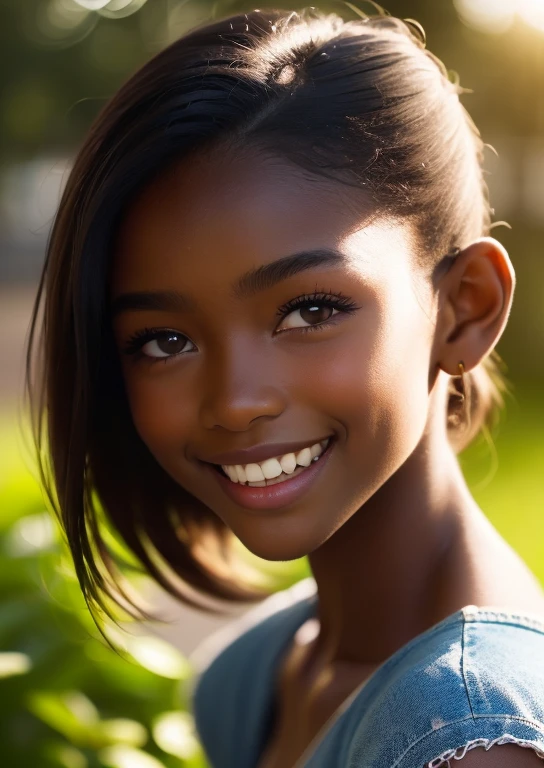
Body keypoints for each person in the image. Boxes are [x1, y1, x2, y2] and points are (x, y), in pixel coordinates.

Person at [25, 5, 544, 767]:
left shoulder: (466, 738)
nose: (236, 400)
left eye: (310, 310)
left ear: (464, 307)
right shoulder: (254, 676)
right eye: (163, 341)